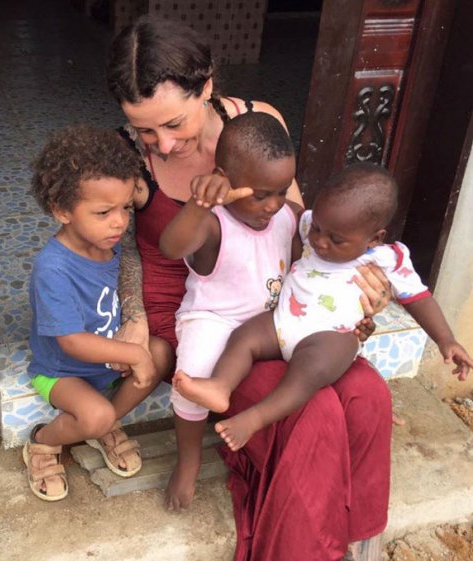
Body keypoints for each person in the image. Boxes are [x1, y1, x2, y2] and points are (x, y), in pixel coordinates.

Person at [107, 16, 393, 561]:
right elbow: (123, 249)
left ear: (207, 87)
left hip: (275, 305)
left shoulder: (259, 125)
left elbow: (301, 229)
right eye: (145, 130)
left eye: (173, 123)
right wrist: (134, 315)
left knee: (367, 395)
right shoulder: (125, 156)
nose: (163, 144)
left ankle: (357, 538)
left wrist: (347, 296)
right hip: (197, 313)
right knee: (314, 415)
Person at [175, 163, 473, 452]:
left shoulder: (387, 259)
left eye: (336, 239)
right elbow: (285, 208)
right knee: (244, 336)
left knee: (310, 371)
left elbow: (419, 298)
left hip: (330, 337)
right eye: (317, 227)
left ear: (374, 237)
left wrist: (446, 339)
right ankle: (220, 386)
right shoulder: (310, 223)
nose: (319, 241)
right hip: (281, 323)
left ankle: (254, 419)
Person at [25, 124, 167, 501]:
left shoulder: (110, 243)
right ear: (62, 211)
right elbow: (71, 342)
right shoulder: (53, 268)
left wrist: (137, 349)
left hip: (107, 366)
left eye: (125, 208)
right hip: (62, 372)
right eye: (104, 212)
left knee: (162, 354)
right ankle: (43, 441)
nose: (120, 221)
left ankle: (105, 423)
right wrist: (133, 353)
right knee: (96, 414)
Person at [158, 110, 300, 483]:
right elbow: (171, 247)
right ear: (224, 180)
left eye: (282, 191)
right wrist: (199, 204)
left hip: (266, 322)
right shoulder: (213, 223)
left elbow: (312, 258)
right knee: (193, 372)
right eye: (261, 195)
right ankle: (188, 459)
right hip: (215, 320)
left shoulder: (289, 217)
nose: (273, 205)